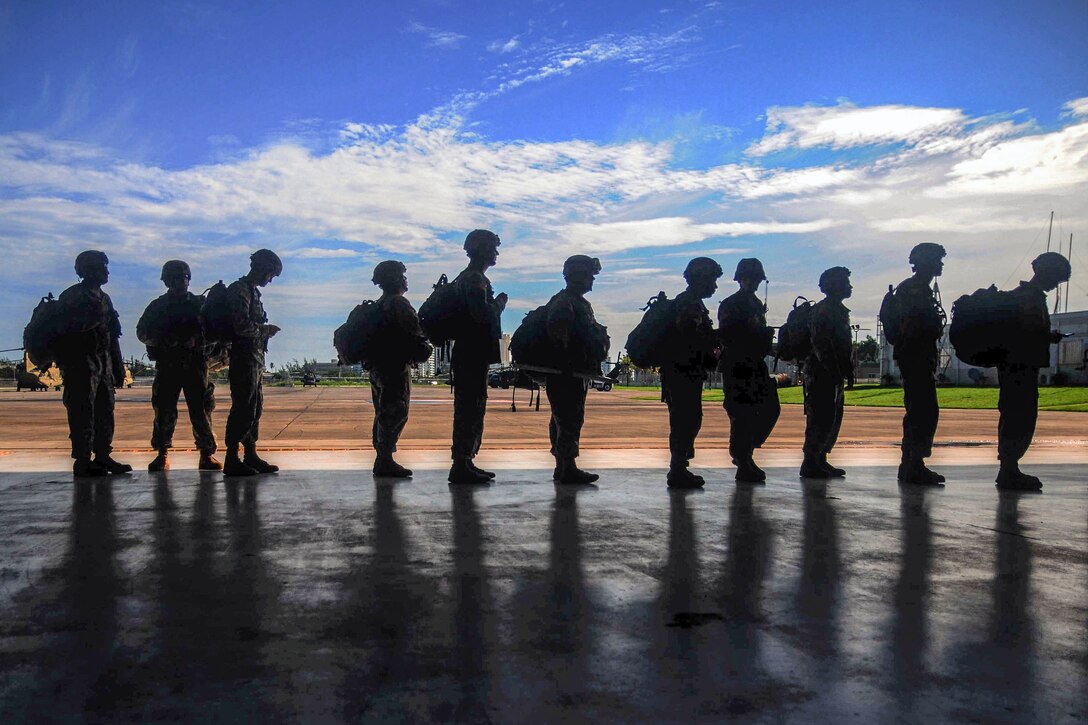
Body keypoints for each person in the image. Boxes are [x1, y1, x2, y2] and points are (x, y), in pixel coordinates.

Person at [995, 252, 1072, 491]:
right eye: (1056, 278)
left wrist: (1046, 336)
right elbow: (1026, 333)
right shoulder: (1030, 298)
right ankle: (1009, 469)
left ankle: (1009, 468)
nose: (1055, 284)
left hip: (1016, 364)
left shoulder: (1026, 296)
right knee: (1020, 416)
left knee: (1014, 414)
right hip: (1020, 366)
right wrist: (1045, 337)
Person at [137, 260, 221, 472]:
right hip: (168, 365)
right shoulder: (158, 306)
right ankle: (162, 453)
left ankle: (206, 454)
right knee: (164, 410)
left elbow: (216, 332)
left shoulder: (200, 304)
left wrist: (197, 340)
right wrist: (165, 340)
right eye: (174, 278)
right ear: (166, 281)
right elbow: (142, 332)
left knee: (201, 410)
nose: (179, 282)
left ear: (189, 279)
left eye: (183, 277)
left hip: (196, 364)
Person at [55, 250, 132, 477]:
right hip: (80, 363)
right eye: (102, 267)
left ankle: (102, 455)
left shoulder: (104, 298)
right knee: (82, 410)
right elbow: (64, 329)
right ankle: (82, 458)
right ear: (88, 270)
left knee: (105, 409)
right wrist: (94, 318)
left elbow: (113, 336)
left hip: (102, 362)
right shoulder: (73, 296)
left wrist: (117, 367)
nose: (106, 271)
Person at [448, 230, 507, 485]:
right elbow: (480, 316)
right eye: (493, 247)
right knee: (470, 408)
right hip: (471, 353)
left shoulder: (472, 278)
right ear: (481, 249)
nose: (496, 253)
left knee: (470, 407)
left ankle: (465, 461)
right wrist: (499, 304)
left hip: (469, 353)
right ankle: (462, 463)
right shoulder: (474, 280)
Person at [545, 255, 608, 485]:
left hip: (570, 372)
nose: (592, 280)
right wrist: (571, 362)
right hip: (568, 374)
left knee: (562, 419)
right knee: (569, 419)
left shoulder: (570, 301)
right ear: (579, 276)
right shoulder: (567, 302)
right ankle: (567, 466)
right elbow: (559, 336)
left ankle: (563, 465)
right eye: (590, 275)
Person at [661, 257, 722, 489]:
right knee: (686, 420)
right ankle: (678, 469)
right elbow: (690, 338)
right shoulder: (690, 305)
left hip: (682, 372)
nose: (714, 286)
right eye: (712, 280)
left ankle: (680, 466)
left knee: (686, 419)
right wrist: (713, 340)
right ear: (701, 279)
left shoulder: (689, 303)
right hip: (684, 372)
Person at [368, 260, 432, 478]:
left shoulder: (379, 304)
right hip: (394, 367)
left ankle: (382, 456)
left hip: (378, 367)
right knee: (395, 412)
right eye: (402, 275)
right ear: (394, 279)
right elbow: (416, 332)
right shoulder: (399, 304)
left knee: (382, 412)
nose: (405, 279)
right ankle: (384, 459)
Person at [718, 258, 781, 482]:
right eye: (748, 278)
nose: (752, 282)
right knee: (741, 415)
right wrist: (754, 334)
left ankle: (746, 453)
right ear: (740, 279)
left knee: (770, 408)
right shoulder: (730, 304)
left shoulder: (755, 304)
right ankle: (743, 460)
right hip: (737, 366)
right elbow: (727, 336)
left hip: (755, 364)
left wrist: (763, 337)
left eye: (755, 279)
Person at [222, 249, 282, 476]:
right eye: (271, 274)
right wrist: (265, 330)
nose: (270, 279)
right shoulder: (240, 290)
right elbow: (240, 325)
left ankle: (250, 453)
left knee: (254, 407)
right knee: (243, 407)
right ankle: (231, 457)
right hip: (243, 358)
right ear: (262, 268)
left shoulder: (252, 292)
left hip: (255, 359)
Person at [892, 243, 947, 485]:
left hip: (919, 357)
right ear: (926, 262)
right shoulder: (913, 290)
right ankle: (913, 464)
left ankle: (914, 463)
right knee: (921, 411)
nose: (941, 264)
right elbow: (913, 328)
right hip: (915, 357)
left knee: (923, 411)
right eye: (937, 259)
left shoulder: (920, 289)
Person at [801, 266, 853, 478]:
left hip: (833, 373)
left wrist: (845, 370)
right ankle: (811, 461)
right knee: (820, 417)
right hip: (821, 373)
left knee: (832, 416)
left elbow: (842, 345)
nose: (849, 287)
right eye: (845, 282)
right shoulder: (824, 311)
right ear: (835, 286)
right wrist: (834, 371)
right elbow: (821, 345)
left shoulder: (837, 310)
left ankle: (820, 458)